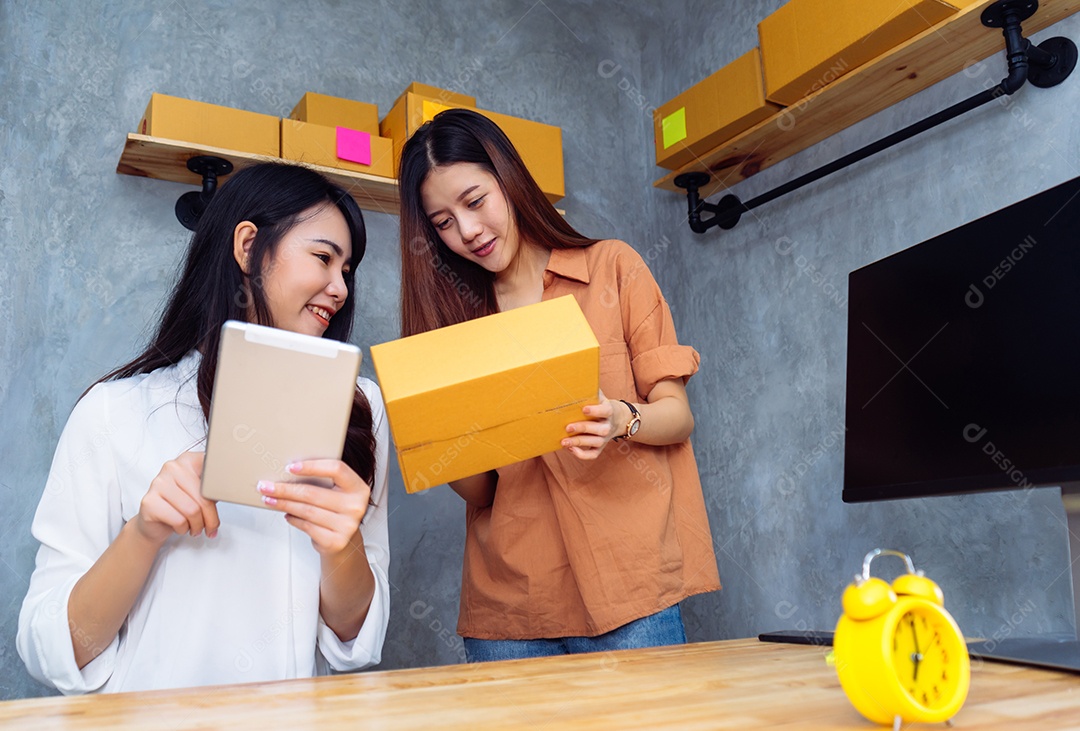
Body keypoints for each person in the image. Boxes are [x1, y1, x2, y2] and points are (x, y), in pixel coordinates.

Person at [17, 162, 390, 694]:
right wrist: (143, 533)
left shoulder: (357, 411)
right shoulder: (113, 412)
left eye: (347, 270)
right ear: (247, 246)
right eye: (324, 257)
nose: (340, 288)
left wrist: (342, 546)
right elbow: (47, 645)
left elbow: (356, 639)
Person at [397, 108, 721, 662]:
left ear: (509, 179)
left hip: (630, 589)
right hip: (513, 605)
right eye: (443, 223)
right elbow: (481, 493)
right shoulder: (457, 326)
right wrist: (437, 443)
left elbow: (677, 414)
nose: (467, 231)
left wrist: (623, 418)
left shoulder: (613, 268)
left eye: (474, 202)